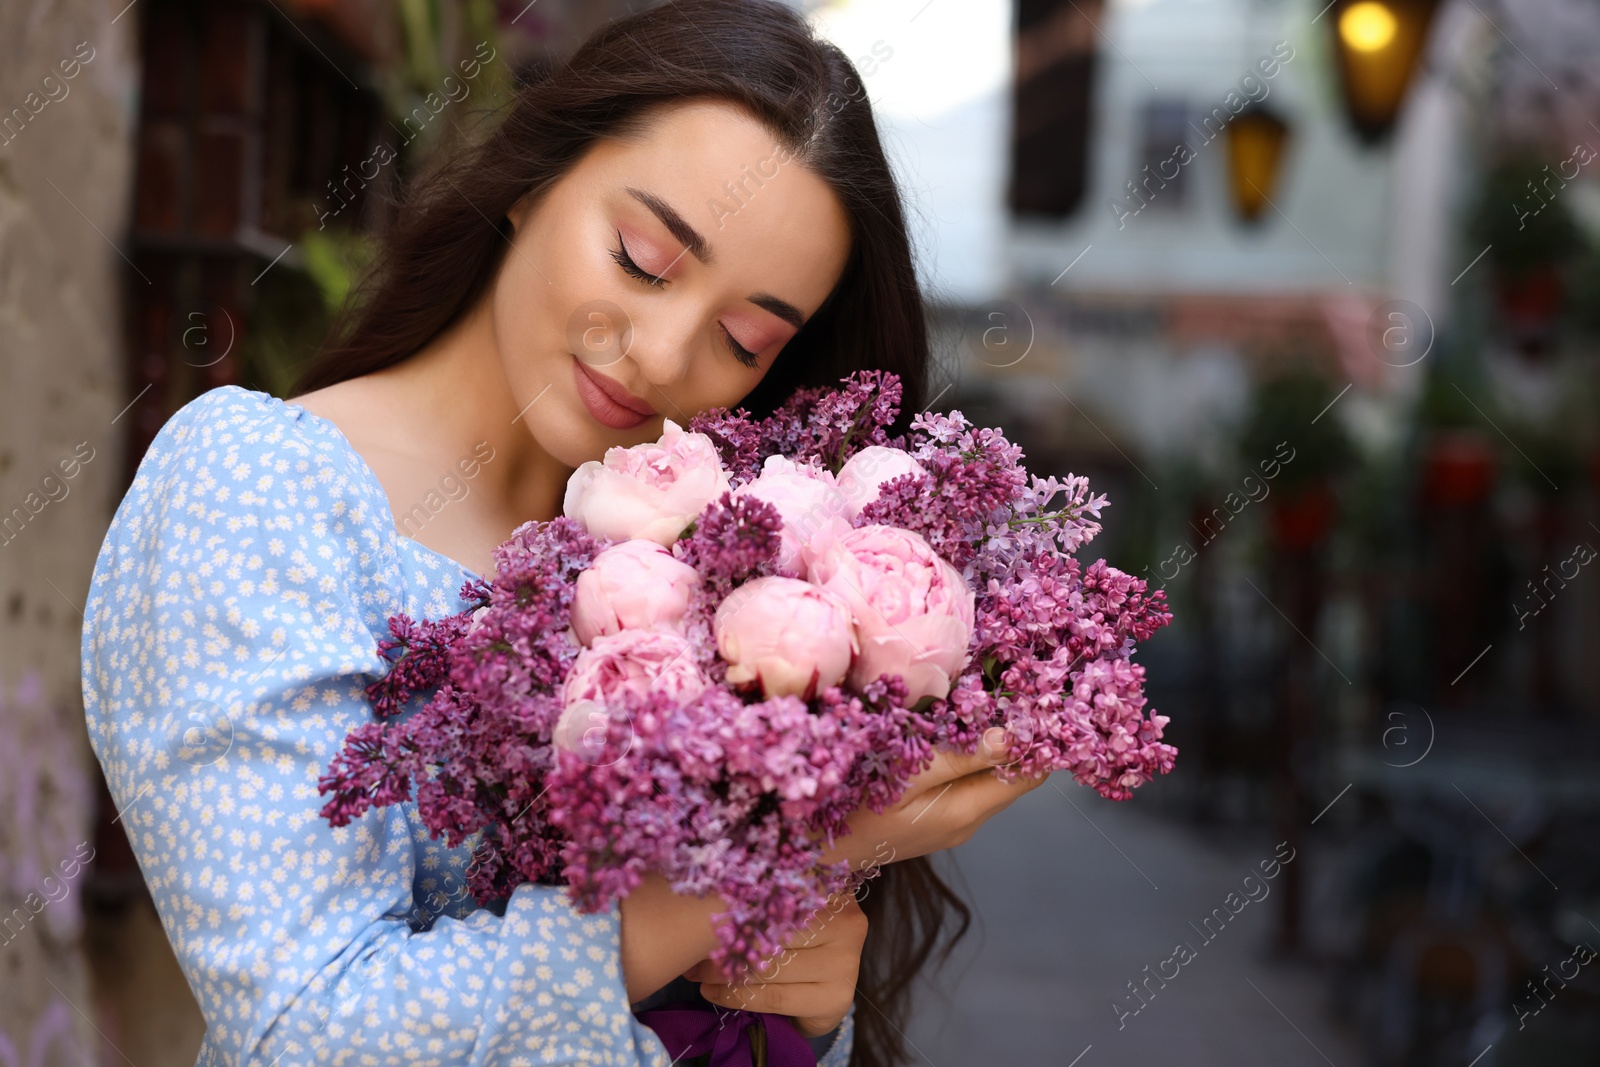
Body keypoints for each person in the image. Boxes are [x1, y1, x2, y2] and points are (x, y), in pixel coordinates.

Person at [81, 2, 1046, 1064]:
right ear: (534, 178)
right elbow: (306, 1026)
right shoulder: (255, 488)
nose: (666, 352)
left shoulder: (728, 562)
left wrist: (797, 1006)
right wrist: (752, 874)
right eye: (641, 256)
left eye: (744, 336)